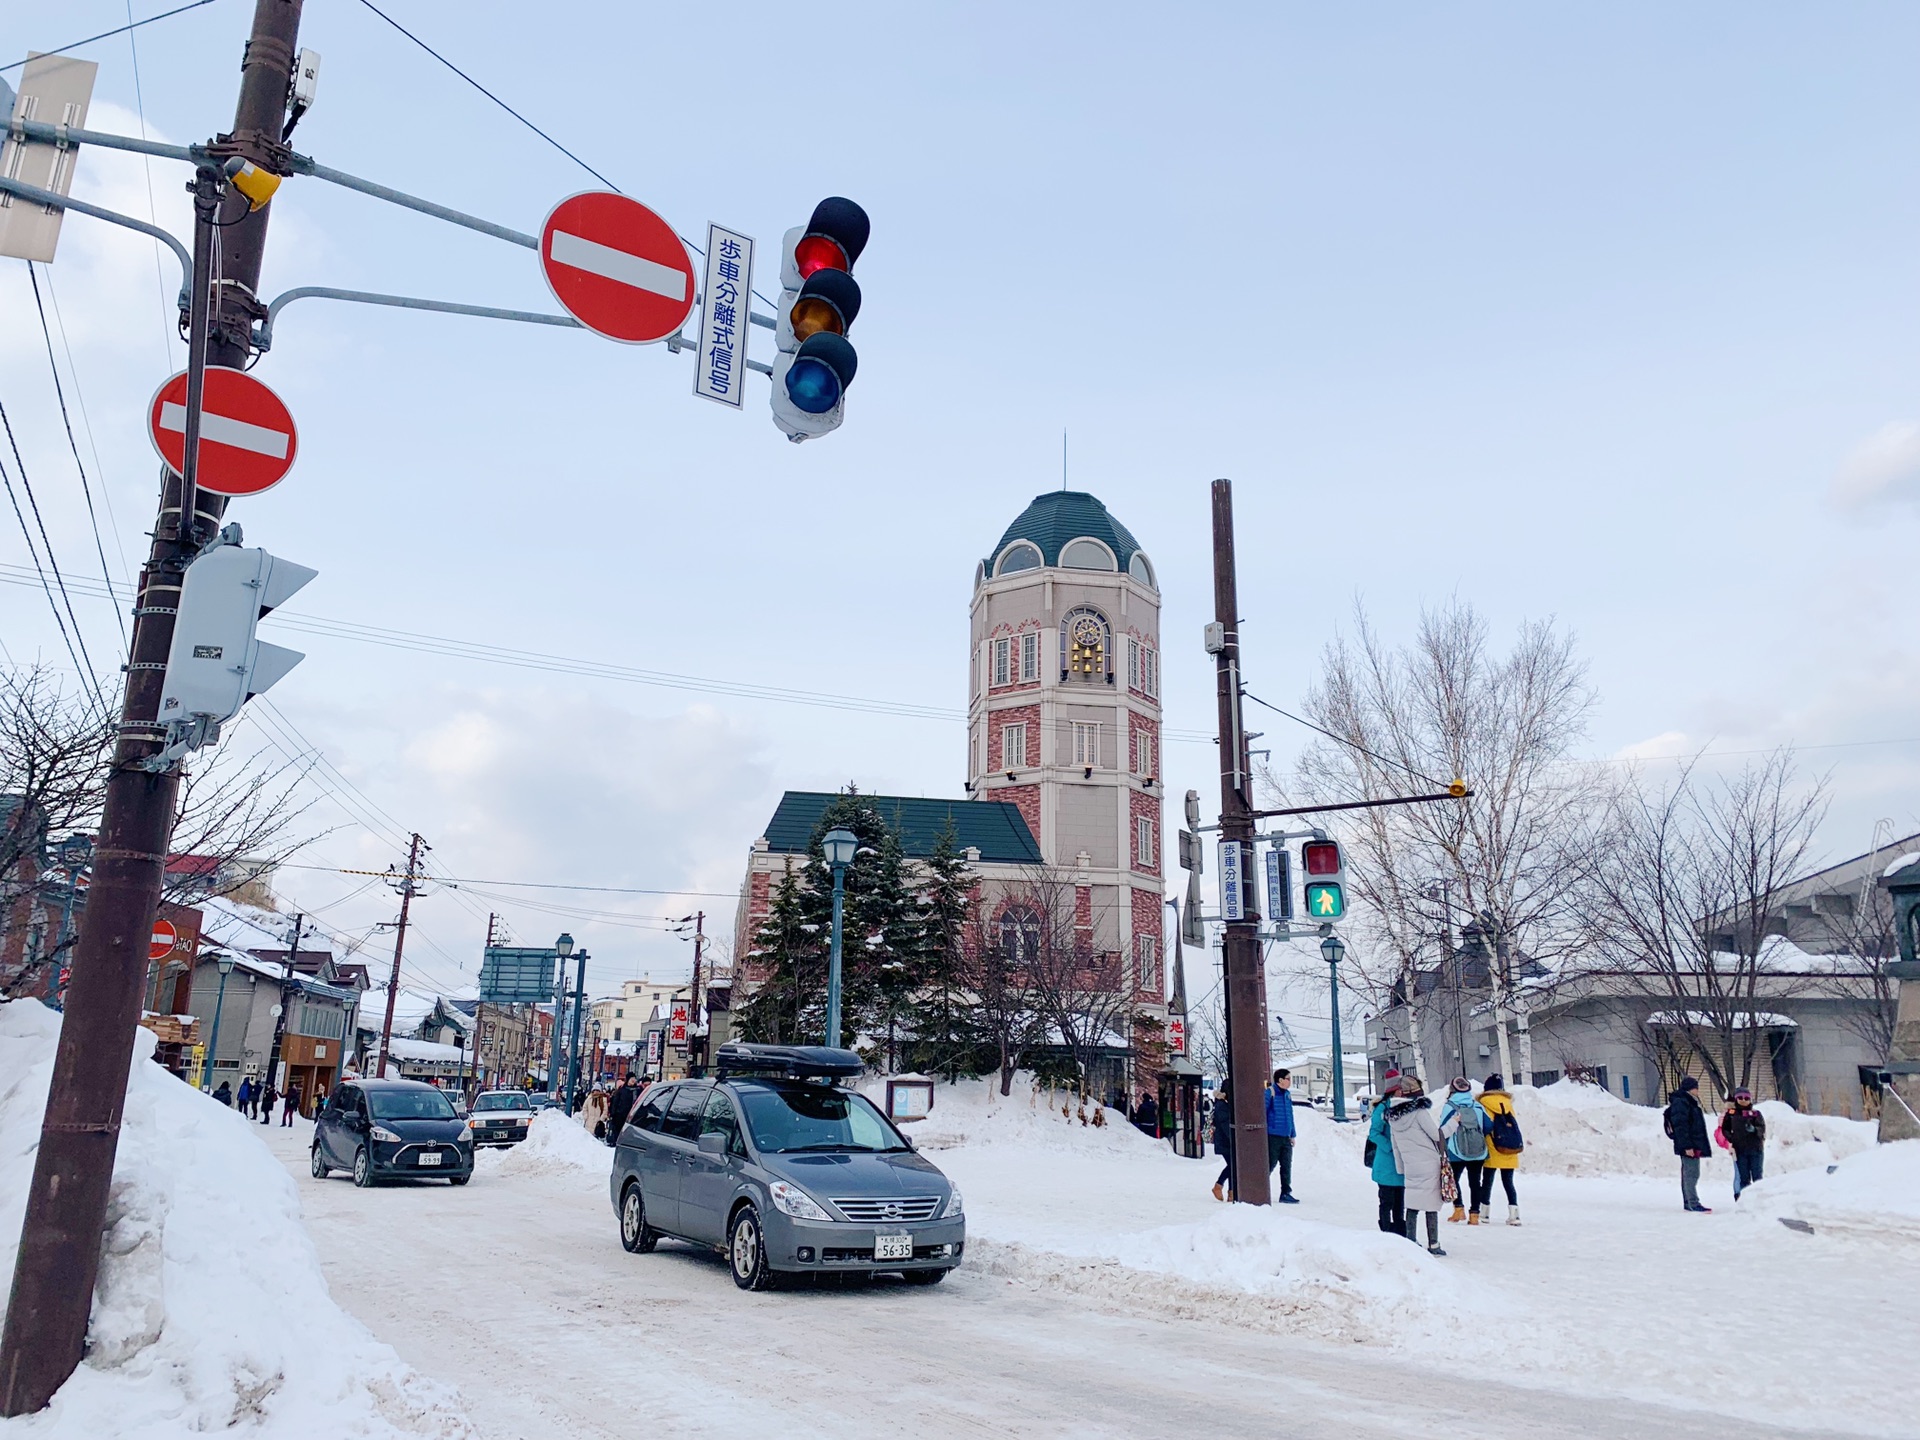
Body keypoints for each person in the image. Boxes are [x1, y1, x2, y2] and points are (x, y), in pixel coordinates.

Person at [1386, 1074, 1450, 1255]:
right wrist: (1453, 1124)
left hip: (1410, 1165)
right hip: (1429, 1163)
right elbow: (1437, 1135)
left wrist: (1401, 1168)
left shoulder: (1393, 1117)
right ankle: (1434, 1244)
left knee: (1412, 1205)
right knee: (1431, 1205)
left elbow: (1395, 1146)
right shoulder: (1420, 1112)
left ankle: (1411, 1241)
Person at [1441, 1078, 1490, 1225]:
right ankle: (1474, 1214)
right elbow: (1488, 1126)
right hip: (1477, 1150)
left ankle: (1458, 1209)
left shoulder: (1450, 1106)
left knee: (1454, 1180)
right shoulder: (1477, 1105)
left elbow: (1443, 1129)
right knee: (1475, 1182)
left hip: (1456, 1151)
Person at [1476, 1073, 1523, 1225]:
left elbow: (1484, 1125)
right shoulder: (1508, 1103)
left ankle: (1484, 1213)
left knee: (1487, 1181)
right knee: (1508, 1182)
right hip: (1509, 1147)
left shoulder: (1484, 1103)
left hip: (1492, 1147)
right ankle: (1514, 1215)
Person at [1662, 1075, 1712, 1212]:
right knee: (1692, 1173)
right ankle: (1693, 1202)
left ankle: (1688, 1202)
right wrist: (1687, 1146)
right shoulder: (1682, 1102)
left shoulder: (1685, 1101)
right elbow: (1681, 1126)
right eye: (1696, 1087)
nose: (1698, 1091)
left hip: (1691, 1143)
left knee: (1688, 1173)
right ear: (1691, 1088)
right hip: (1689, 1145)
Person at [1367, 1071, 1407, 1235]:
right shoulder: (1382, 1108)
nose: (1403, 1092)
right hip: (1386, 1163)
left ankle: (1399, 1231)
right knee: (1386, 1201)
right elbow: (1374, 1133)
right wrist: (1391, 1146)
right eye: (1400, 1089)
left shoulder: (1405, 1106)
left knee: (1400, 1202)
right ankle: (1385, 1231)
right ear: (1394, 1090)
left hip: (1401, 1162)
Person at [1719, 1087, 1767, 1199]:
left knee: (1757, 1176)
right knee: (1743, 1177)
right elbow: (1724, 1129)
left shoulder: (1755, 1114)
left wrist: (1755, 1130)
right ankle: (1745, 1200)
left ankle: (1759, 1199)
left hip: (1756, 1150)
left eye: (1746, 1098)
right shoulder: (1731, 1114)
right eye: (1740, 1098)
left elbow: (1762, 1128)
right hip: (1740, 1150)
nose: (1743, 1100)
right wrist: (1732, 1138)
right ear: (1736, 1099)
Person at [1264, 1068, 1299, 1203]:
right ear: (1280, 1080)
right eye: (1288, 1079)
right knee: (1270, 1163)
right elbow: (1264, 1112)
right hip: (1273, 1136)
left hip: (1285, 1136)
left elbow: (1290, 1115)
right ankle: (1260, 1187)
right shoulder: (1270, 1093)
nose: (1290, 1081)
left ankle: (1285, 1192)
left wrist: (1292, 1134)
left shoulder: (1287, 1095)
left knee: (1286, 1165)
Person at [1210, 1087, 1235, 1202]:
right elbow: (1225, 1125)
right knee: (1232, 1165)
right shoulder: (1222, 1106)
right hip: (1225, 1141)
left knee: (1233, 1165)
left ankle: (1231, 1192)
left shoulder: (1224, 1104)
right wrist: (1234, 1138)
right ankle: (1219, 1185)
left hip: (1225, 1140)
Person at [607, 1073, 639, 1142]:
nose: (633, 1080)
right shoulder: (621, 1090)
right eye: (631, 1079)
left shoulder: (637, 1090)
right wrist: (613, 1114)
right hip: (620, 1116)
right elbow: (615, 1103)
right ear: (628, 1080)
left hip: (632, 1116)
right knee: (619, 1131)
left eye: (634, 1078)